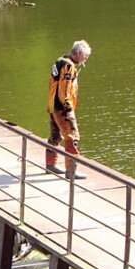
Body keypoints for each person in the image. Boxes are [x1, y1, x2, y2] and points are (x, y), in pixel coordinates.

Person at [46, 40, 92, 178]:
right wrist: (68, 108)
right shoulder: (68, 66)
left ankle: (50, 165)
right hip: (61, 107)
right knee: (73, 136)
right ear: (78, 53)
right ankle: (71, 171)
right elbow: (64, 90)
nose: (85, 59)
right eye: (85, 56)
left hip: (52, 105)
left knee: (55, 135)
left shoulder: (60, 60)